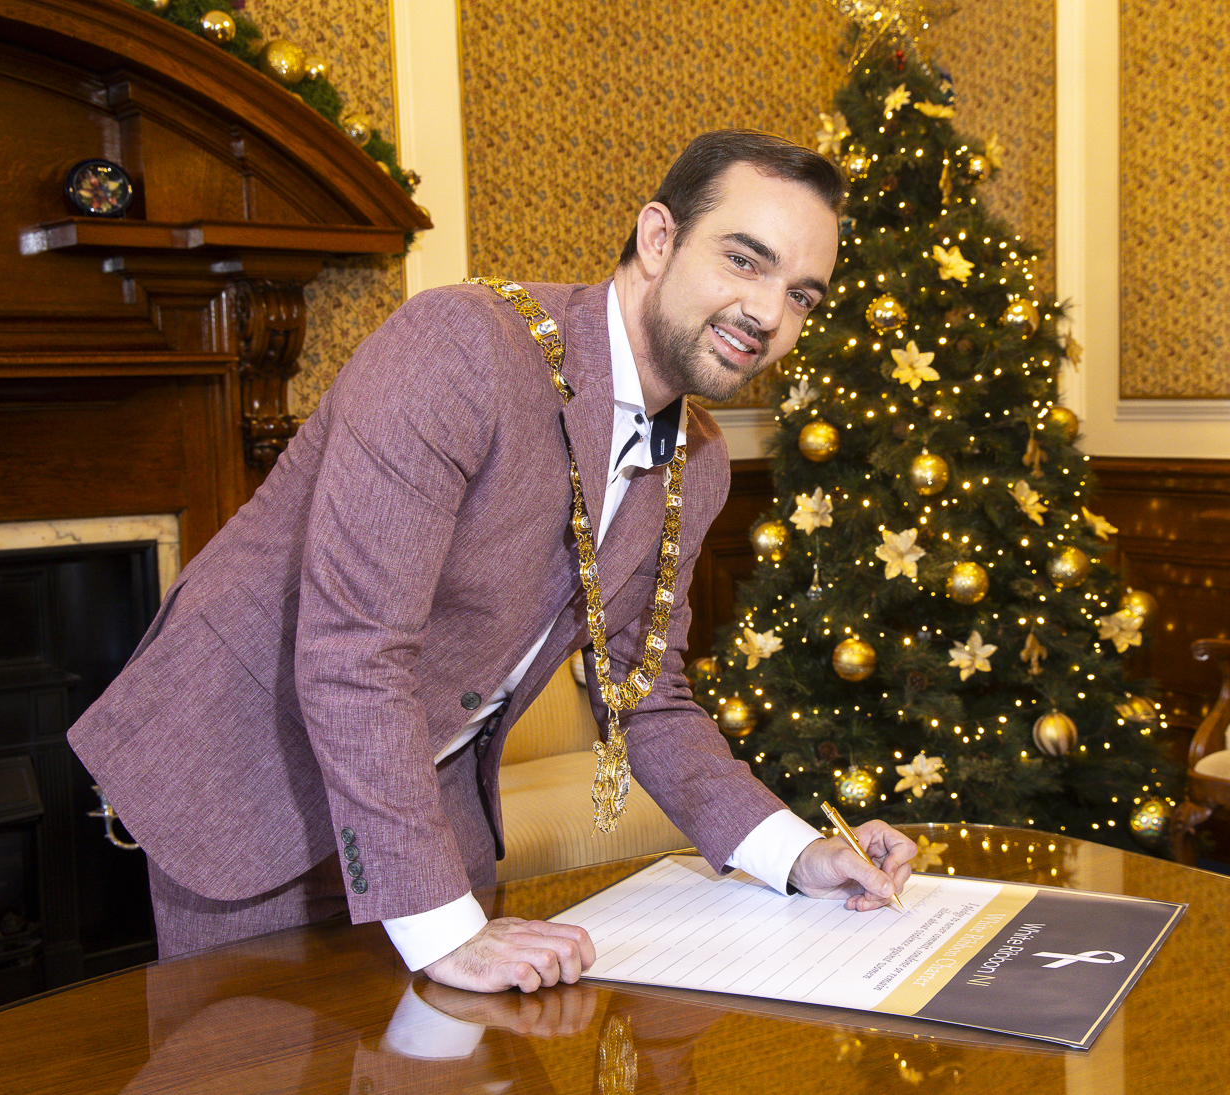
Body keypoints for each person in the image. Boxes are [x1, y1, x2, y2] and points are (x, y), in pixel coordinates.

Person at [68, 129, 916, 994]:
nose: (770, 315)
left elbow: (645, 695)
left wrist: (796, 852)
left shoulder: (699, 463)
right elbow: (353, 652)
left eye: (801, 295)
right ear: (659, 238)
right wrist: (441, 925)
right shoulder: (462, 346)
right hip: (245, 773)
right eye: (745, 259)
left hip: (434, 798)